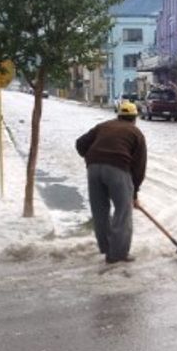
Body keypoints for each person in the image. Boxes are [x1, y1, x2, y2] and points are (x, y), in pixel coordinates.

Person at [75, 100, 147, 264]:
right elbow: (139, 166)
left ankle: (107, 249)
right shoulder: (136, 133)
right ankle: (118, 254)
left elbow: (80, 143)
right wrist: (134, 193)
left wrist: (91, 158)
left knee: (100, 211)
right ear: (135, 117)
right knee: (123, 212)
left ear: (119, 115)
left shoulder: (103, 126)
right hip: (118, 169)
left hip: (93, 169)